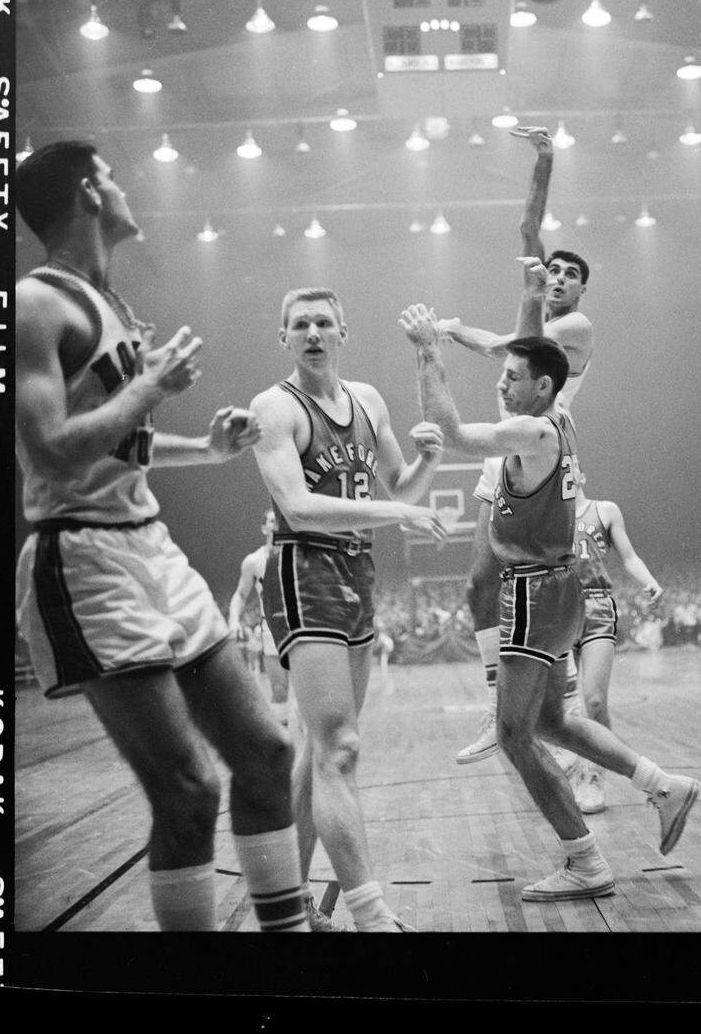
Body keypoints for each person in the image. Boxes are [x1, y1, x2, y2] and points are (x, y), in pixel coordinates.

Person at [13, 141, 308, 932]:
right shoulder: (34, 302)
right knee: (186, 792)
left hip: (150, 543)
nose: (122, 184)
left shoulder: (109, 301)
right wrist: (151, 385)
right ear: (86, 191)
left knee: (268, 755)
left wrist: (203, 449)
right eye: (111, 173)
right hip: (82, 556)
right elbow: (48, 445)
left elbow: (117, 441)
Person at [399, 302, 700, 901]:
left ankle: (584, 860)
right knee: (555, 720)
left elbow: (453, 433)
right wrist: (464, 335)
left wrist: (428, 350)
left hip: (537, 592)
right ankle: (661, 785)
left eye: (511, 377)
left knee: (517, 735)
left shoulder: (535, 431)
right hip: (555, 589)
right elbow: (506, 347)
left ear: (541, 386)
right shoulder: (557, 415)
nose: (499, 382)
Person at [248, 286, 447, 933]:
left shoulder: (368, 400)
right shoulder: (275, 407)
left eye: (323, 322)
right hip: (303, 566)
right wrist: (399, 510)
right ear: (283, 337)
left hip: (356, 567)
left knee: (317, 755)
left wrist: (428, 460)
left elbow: (405, 485)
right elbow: (300, 507)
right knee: (342, 747)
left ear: (343, 333)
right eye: (299, 323)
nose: (312, 331)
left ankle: (284, 910)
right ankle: (371, 911)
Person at [436, 126, 595, 766]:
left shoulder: (572, 330)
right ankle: (500, 700)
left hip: (545, 460)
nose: (555, 276)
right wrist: (544, 161)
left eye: (568, 274)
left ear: (581, 290)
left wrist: (451, 331)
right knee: (479, 585)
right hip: (510, 455)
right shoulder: (533, 317)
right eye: (551, 271)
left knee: (539, 599)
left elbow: (505, 346)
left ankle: (572, 735)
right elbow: (528, 234)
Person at [569, 481, 664, 814]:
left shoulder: (605, 510)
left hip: (595, 606)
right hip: (555, 609)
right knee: (559, 711)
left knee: (594, 699)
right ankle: (575, 765)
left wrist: (649, 580)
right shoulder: (546, 513)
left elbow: (630, 556)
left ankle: (592, 775)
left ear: (579, 472)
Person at [227, 508, 289, 716]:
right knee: (279, 691)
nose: (276, 525)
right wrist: (233, 620)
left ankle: (312, 743)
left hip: (301, 622)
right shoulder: (253, 561)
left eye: (279, 520)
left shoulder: (298, 554)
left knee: (308, 690)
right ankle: (286, 743)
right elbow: (241, 595)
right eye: (272, 521)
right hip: (272, 626)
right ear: (264, 528)